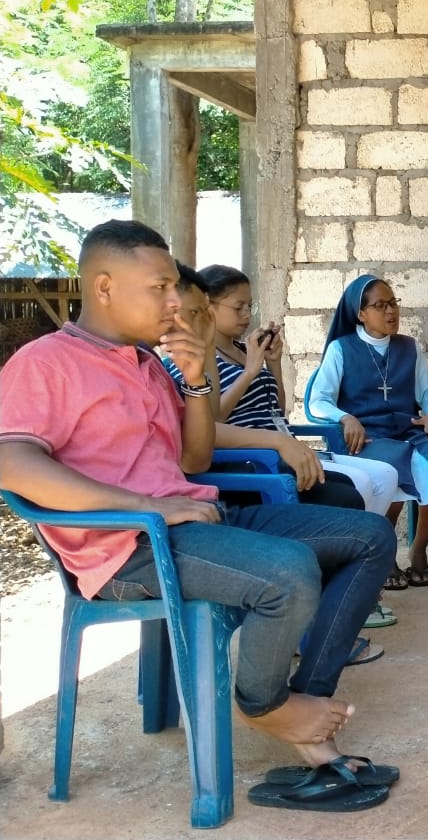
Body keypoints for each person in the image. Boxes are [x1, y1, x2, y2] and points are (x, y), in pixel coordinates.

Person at [0, 220, 397, 811]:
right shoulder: (46, 363)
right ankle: (266, 707)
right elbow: (11, 461)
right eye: (158, 288)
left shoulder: (148, 363)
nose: (172, 303)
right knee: (288, 572)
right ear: (104, 287)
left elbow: (194, 457)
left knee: (368, 535)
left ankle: (302, 704)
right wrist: (145, 505)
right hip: (128, 549)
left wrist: (191, 385)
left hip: (192, 522)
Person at [170, 264, 397, 515]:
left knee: (374, 480)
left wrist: (273, 363)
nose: (246, 314)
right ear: (208, 307)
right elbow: (210, 422)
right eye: (238, 307)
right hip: (252, 457)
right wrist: (249, 373)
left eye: (250, 306)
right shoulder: (192, 360)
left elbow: (277, 410)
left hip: (281, 446)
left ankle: (363, 546)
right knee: (354, 491)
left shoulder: (246, 350)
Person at [309, 275, 428, 589]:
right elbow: (318, 400)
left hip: (406, 432)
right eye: (380, 305)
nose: (391, 312)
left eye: (393, 303)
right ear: (360, 314)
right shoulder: (342, 349)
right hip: (368, 438)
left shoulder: (408, 347)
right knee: (390, 466)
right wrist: (346, 417)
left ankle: (418, 549)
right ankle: (386, 554)